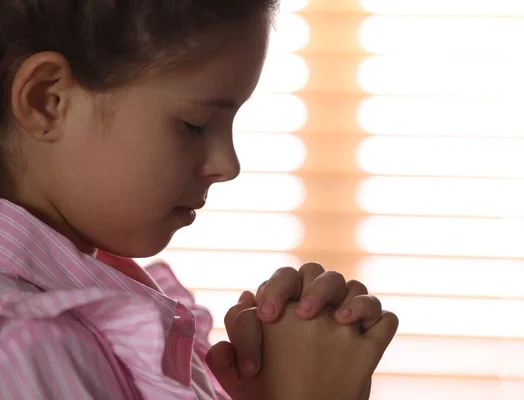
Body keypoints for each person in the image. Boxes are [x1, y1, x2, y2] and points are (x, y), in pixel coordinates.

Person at [0, 1, 399, 399]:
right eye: (195, 125)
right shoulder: (29, 346)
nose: (228, 165)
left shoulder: (104, 321)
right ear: (47, 101)